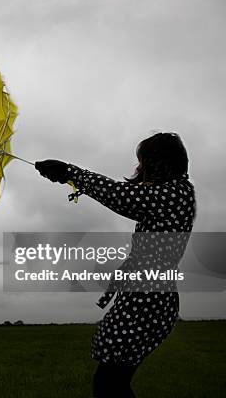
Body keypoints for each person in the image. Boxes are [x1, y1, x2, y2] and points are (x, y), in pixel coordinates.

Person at [35, 132, 196, 398]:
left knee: (109, 384)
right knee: (112, 383)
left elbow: (118, 195)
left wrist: (69, 172)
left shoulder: (173, 193)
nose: (139, 168)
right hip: (146, 297)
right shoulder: (176, 192)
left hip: (148, 301)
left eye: (143, 162)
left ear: (160, 163)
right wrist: (69, 175)